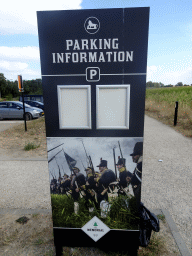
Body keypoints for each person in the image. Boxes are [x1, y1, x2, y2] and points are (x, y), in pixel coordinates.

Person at [126, 142, 143, 207]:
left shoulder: (140, 165)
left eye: (135, 155)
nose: (133, 157)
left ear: (140, 154)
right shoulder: (139, 165)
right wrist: (131, 180)